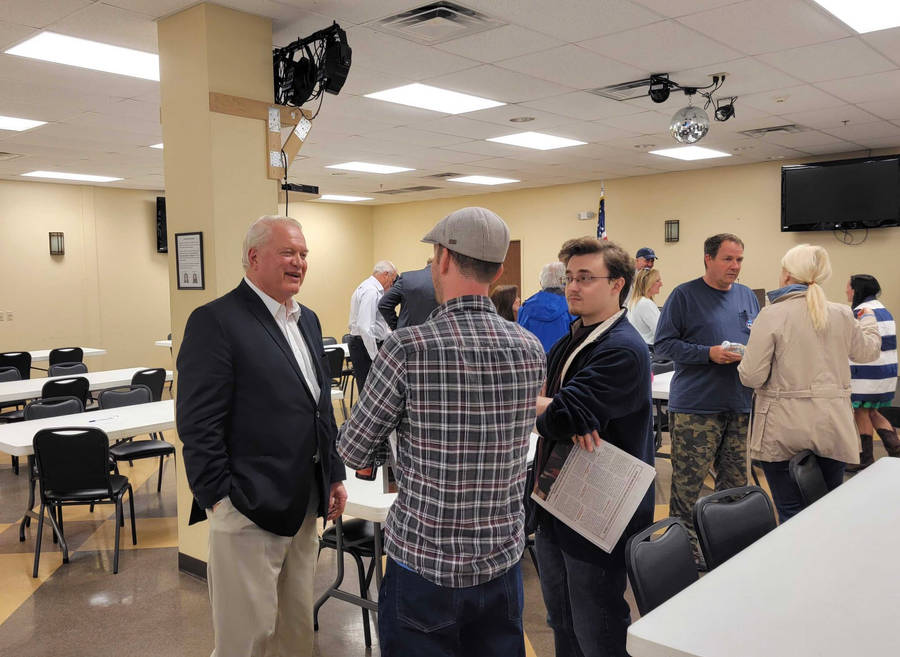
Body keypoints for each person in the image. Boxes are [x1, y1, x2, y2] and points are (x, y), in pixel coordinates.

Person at [337, 207, 545, 657]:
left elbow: (354, 449)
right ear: (500, 269)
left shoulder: (407, 347)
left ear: (443, 259)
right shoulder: (530, 349)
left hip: (424, 567)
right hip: (501, 564)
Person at [176, 215, 347, 657]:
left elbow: (318, 406)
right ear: (254, 258)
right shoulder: (216, 321)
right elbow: (198, 423)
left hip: (305, 506)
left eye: (304, 254)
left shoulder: (306, 320)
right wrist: (220, 498)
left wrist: (334, 473)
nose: (299, 262)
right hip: (247, 511)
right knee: (246, 641)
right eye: (288, 252)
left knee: (294, 634)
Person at [534, 237, 654, 657]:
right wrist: (557, 410)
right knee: (561, 620)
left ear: (618, 284)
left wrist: (558, 412)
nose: (573, 287)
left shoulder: (623, 349)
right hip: (555, 500)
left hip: (600, 511)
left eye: (586, 278)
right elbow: (556, 410)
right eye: (570, 277)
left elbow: (561, 417)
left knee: (596, 626)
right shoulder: (571, 340)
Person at [737, 245, 881, 522]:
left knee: (792, 513)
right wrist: (870, 322)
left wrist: (746, 357)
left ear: (788, 275)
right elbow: (868, 352)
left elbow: (751, 376)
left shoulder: (771, 315)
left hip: (782, 426)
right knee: (827, 510)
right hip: (832, 425)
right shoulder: (841, 313)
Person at [654, 233, 759, 563]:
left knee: (734, 485)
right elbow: (664, 346)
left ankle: (726, 545)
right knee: (688, 487)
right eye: (728, 259)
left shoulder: (746, 296)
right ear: (708, 259)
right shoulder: (684, 296)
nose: (735, 266)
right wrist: (707, 353)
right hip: (697, 407)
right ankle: (683, 554)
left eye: (739, 259)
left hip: (739, 403)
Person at [846, 274, 900, 470]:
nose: (846, 290)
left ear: (857, 290)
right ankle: (895, 447)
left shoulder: (861, 312)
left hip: (866, 373)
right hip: (886, 372)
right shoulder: (884, 310)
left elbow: (856, 345)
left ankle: (865, 458)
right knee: (872, 411)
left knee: (860, 411)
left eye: (849, 287)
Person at [347, 260, 397, 390]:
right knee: (369, 390)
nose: (393, 283)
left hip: (364, 344)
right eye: (393, 278)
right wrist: (375, 357)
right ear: (386, 274)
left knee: (370, 389)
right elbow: (365, 327)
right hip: (365, 346)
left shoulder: (370, 288)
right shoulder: (371, 291)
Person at [517, 261, 575, 353]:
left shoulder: (524, 309)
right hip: (561, 364)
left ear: (541, 281)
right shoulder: (573, 309)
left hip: (533, 363)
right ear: (565, 281)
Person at [377, 258, 439, 330]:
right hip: (437, 334)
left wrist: (397, 327)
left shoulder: (407, 278)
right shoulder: (448, 281)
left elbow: (384, 304)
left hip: (407, 335)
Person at [627, 268, 663, 347]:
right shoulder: (645, 304)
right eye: (657, 281)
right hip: (652, 350)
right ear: (648, 283)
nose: (661, 284)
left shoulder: (632, 302)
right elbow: (661, 333)